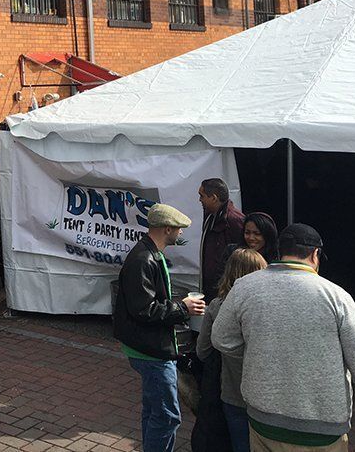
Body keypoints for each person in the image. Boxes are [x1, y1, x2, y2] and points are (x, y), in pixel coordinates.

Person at [212, 224, 355, 451]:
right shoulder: (337, 297)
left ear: (280, 251)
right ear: (315, 254)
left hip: (263, 421)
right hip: (321, 429)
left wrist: (260, 351)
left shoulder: (244, 287)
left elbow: (220, 338)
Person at [113, 203, 205, 452]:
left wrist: (179, 306)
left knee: (154, 410)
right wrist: (183, 308)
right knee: (167, 416)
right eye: (178, 229)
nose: (181, 233)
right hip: (150, 350)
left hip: (147, 346)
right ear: (167, 229)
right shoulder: (144, 258)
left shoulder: (149, 254)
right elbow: (144, 310)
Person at [194, 248, 267, 452]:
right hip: (267, 395)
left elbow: (202, 351)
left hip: (232, 392)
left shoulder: (217, 306)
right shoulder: (269, 309)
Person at [198, 178, 245, 300]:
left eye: (202, 196)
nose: (199, 200)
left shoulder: (234, 220)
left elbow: (242, 254)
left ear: (213, 198)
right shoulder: (210, 216)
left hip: (225, 289)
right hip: (210, 287)